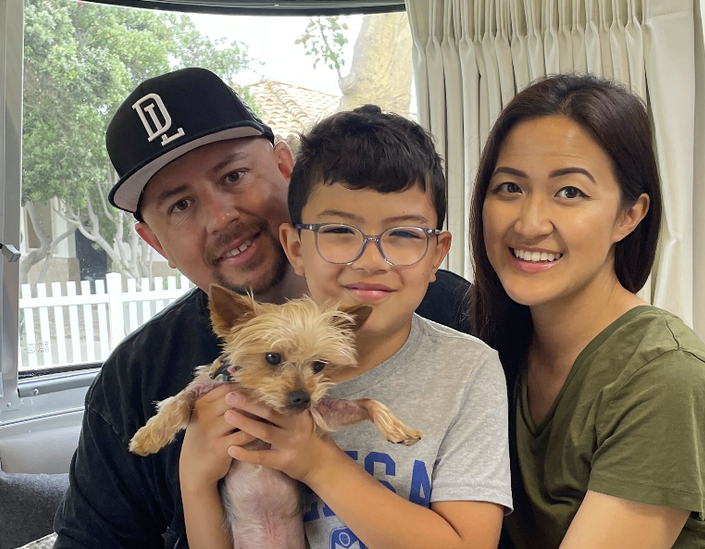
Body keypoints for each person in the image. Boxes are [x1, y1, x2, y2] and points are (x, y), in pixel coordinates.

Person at [52, 68, 471, 548]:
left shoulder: (446, 313)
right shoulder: (132, 381)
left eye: (233, 176)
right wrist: (196, 478)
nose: (220, 216)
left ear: (286, 167)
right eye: (180, 206)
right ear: (154, 242)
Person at [181, 105, 512, 549]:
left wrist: (317, 463)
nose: (372, 260)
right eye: (340, 230)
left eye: (405, 234)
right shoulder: (253, 368)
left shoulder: (468, 371)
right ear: (296, 247)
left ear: (437, 255)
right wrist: (194, 478)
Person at [468, 74, 705, 549]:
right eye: (510, 187)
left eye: (570, 193)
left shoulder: (665, 377)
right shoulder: (493, 348)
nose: (530, 222)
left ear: (629, 215)